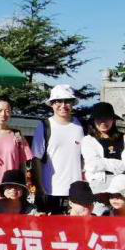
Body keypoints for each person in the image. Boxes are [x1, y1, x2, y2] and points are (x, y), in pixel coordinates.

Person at [32, 85, 85, 214]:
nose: (63, 105)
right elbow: (37, 159)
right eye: (58, 101)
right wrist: (40, 188)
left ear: (72, 103)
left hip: (76, 192)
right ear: (51, 104)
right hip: (50, 191)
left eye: (67, 101)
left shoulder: (82, 125)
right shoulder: (44, 126)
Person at [81, 102, 125, 197]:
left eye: (107, 118)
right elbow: (93, 164)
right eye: (99, 119)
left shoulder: (124, 138)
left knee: (124, 211)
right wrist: (123, 166)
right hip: (100, 184)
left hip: (124, 183)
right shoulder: (88, 140)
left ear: (113, 120)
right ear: (93, 121)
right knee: (101, 211)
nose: (103, 122)